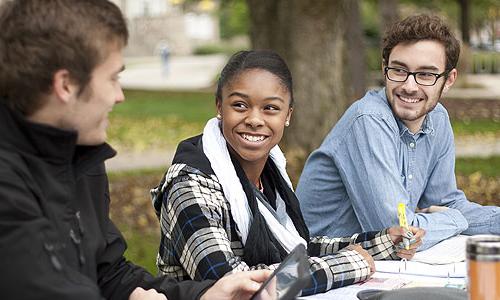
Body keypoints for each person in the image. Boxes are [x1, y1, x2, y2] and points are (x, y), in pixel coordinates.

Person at [0, 1, 271, 299]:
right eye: (113, 78)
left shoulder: (79, 156)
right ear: (66, 85)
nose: (119, 95)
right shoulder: (9, 185)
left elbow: (109, 273)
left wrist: (205, 294)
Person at [151, 50, 424, 297]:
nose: (255, 119)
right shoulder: (189, 184)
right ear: (219, 107)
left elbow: (297, 248)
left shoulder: (271, 172)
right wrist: (347, 264)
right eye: (240, 105)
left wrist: (383, 242)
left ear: (288, 115)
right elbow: (237, 286)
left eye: (270, 108)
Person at [296, 14, 500, 250]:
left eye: (426, 74)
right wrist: (454, 219)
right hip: (323, 266)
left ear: (449, 80)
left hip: (378, 264)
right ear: (385, 69)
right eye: (399, 70)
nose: (409, 86)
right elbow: (398, 234)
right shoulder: (368, 119)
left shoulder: (438, 119)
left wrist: (458, 216)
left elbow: (446, 202)